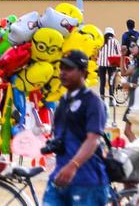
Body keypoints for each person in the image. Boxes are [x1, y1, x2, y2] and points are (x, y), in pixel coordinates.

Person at [45, 50, 111, 205]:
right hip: (60, 178)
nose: (62, 73)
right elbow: (63, 137)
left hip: (87, 181)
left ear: (84, 73)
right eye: (61, 68)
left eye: (68, 69)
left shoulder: (93, 102)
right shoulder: (62, 101)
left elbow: (93, 140)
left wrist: (73, 166)